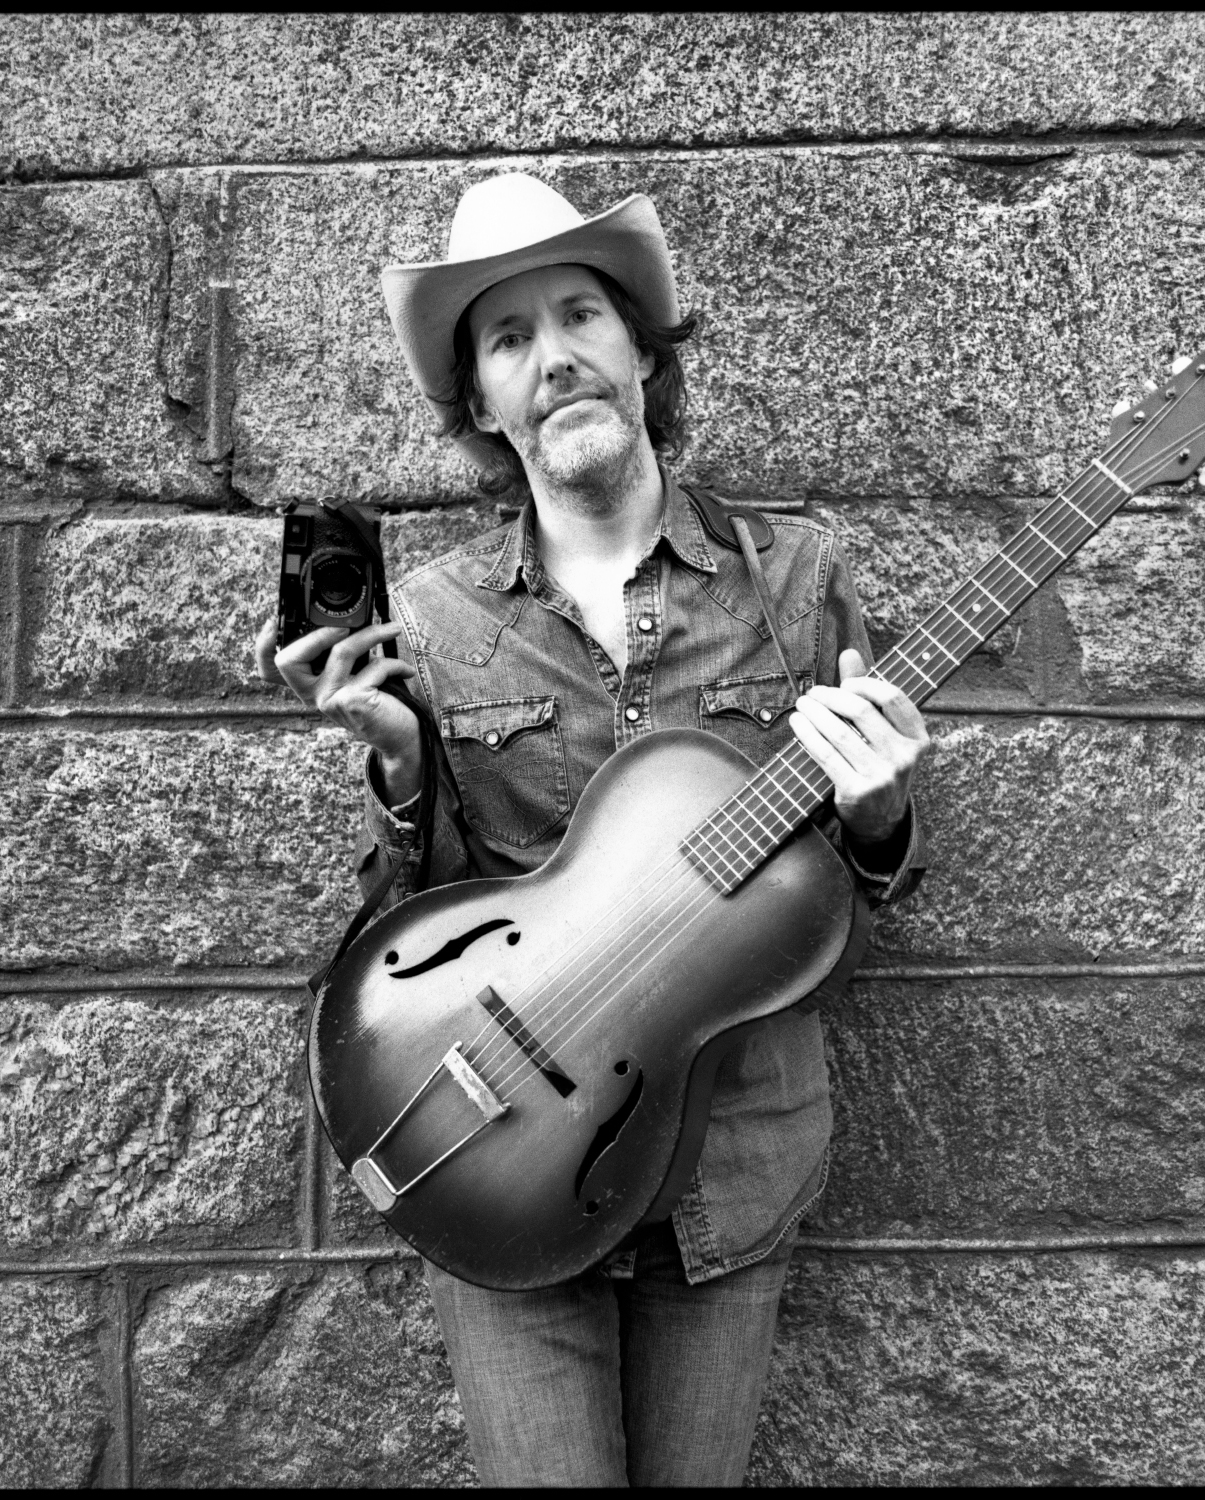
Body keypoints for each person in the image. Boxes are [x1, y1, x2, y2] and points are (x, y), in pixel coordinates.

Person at [255, 173, 930, 1487]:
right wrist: (403, 770)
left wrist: (881, 805)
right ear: (481, 405)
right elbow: (414, 929)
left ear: (639, 347)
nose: (552, 358)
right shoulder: (437, 621)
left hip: (729, 1176)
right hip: (499, 1149)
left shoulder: (796, 582)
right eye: (507, 341)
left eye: (578, 316)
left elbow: (873, 888)